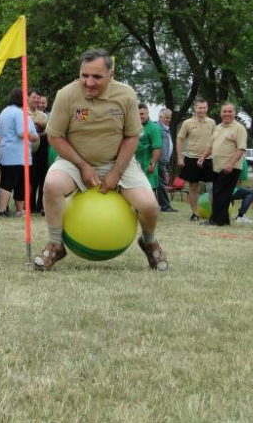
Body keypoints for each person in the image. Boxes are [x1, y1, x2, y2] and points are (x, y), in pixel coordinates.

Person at [34, 49, 168, 272]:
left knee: (149, 206)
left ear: (111, 74)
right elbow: (55, 136)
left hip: (118, 161)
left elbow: (132, 136)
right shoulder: (66, 94)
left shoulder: (126, 95)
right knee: (52, 185)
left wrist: (116, 172)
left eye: (97, 77)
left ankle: (149, 241)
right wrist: (83, 166)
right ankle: (55, 244)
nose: (89, 82)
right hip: (75, 161)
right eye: (84, 75)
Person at [199, 103, 247, 227]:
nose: (227, 114)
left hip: (231, 168)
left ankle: (215, 220)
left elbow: (241, 149)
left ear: (234, 113)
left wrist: (231, 164)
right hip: (216, 167)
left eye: (230, 111)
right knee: (217, 193)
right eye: (224, 111)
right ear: (221, 113)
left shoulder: (239, 128)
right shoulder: (218, 127)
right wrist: (203, 157)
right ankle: (224, 220)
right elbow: (211, 146)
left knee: (222, 194)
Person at [0, 87, 38, 218]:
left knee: (12, 183)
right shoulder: (20, 114)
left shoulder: (4, 112)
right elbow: (21, 132)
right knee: (14, 183)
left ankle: (16, 210)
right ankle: (3, 210)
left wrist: (4, 144)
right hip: (18, 155)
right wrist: (33, 137)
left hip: (8, 153)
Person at [177, 98, 216, 221]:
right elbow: (179, 139)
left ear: (207, 108)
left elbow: (215, 141)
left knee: (212, 187)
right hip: (191, 158)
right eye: (200, 108)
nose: (202, 110)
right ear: (195, 108)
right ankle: (195, 213)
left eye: (204, 108)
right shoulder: (187, 123)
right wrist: (179, 157)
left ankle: (213, 214)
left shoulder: (212, 123)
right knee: (193, 187)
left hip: (209, 159)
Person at [28, 90, 49, 214]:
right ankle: (30, 205)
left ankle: (41, 205)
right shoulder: (27, 113)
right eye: (38, 101)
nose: (40, 104)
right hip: (33, 150)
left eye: (43, 102)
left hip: (45, 150)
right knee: (32, 179)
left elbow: (49, 127)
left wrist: (39, 127)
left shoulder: (49, 115)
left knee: (43, 179)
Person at [134, 103, 162, 195]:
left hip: (148, 165)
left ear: (147, 113)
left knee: (149, 191)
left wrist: (152, 164)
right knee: (136, 191)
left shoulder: (154, 128)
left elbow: (157, 148)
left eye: (142, 114)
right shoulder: (133, 127)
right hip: (135, 165)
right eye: (137, 114)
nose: (139, 116)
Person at [156, 108, 177, 212]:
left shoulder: (166, 128)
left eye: (170, 117)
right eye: (167, 117)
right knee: (162, 184)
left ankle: (163, 205)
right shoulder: (157, 127)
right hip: (159, 160)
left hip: (164, 160)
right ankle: (165, 206)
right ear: (160, 117)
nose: (169, 119)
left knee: (161, 183)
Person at [233, 157, 253, 223]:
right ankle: (241, 216)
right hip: (228, 191)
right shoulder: (242, 161)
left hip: (215, 191)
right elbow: (238, 182)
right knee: (250, 193)